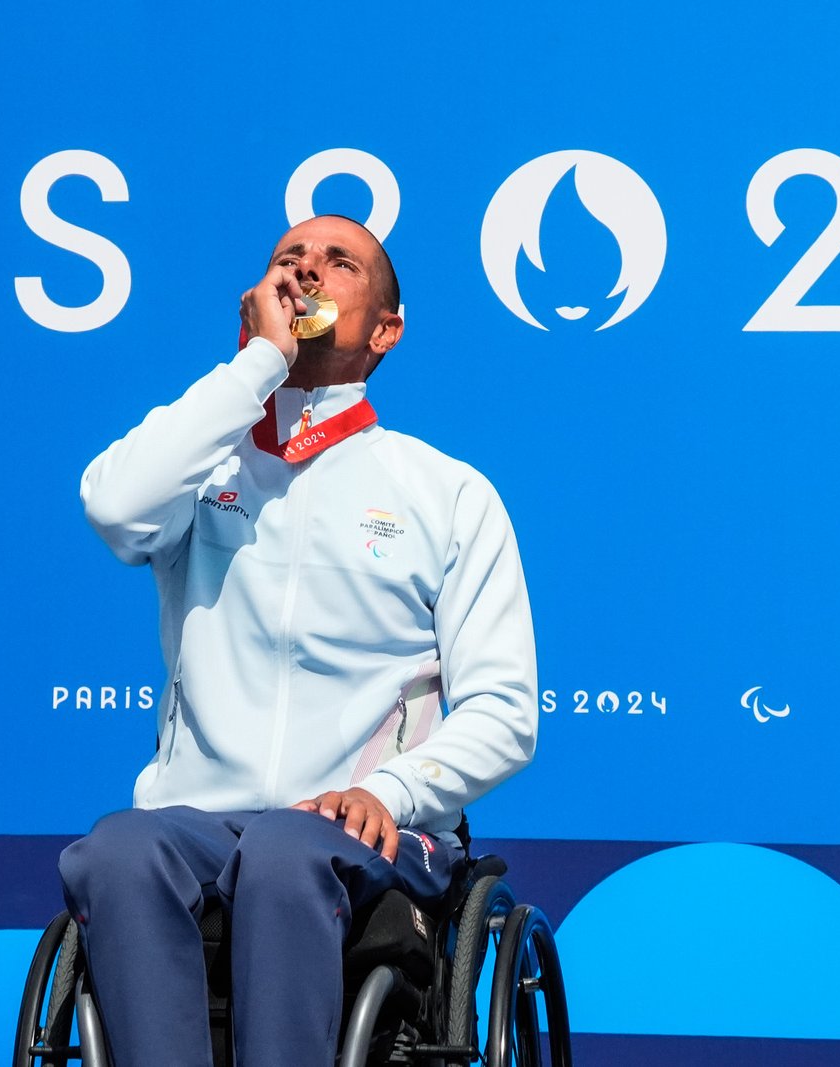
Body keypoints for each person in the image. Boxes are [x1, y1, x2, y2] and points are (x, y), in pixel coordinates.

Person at [58, 215, 537, 1067]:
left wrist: (391, 790)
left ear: (384, 328)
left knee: (286, 850)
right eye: (289, 259)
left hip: (374, 831)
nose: (307, 271)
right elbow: (113, 508)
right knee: (119, 848)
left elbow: (504, 711)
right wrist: (256, 366)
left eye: (338, 262)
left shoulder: (447, 491)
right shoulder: (205, 467)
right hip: (199, 819)